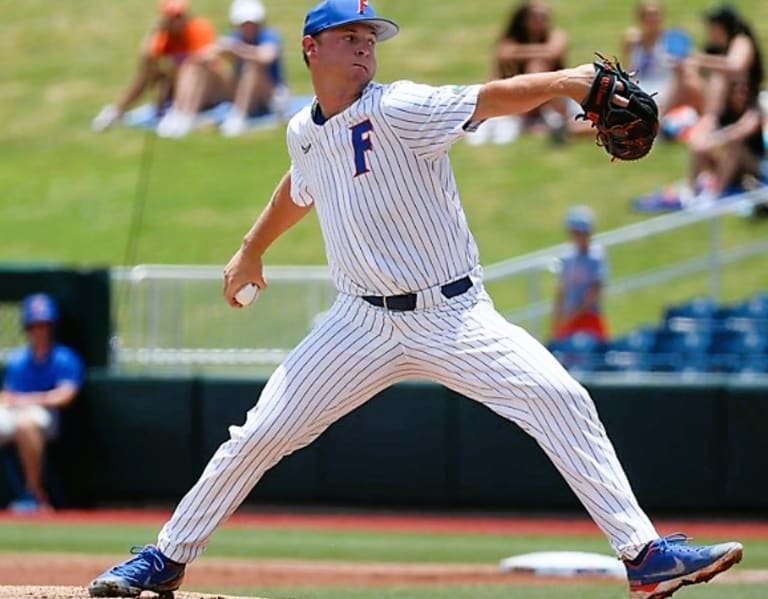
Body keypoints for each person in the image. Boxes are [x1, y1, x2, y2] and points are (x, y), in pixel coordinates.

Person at [88, 2, 743, 598]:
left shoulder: (399, 105)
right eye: (350, 36)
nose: (366, 47)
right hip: (359, 322)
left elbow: (490, 98)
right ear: (312, 48)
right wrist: (250, 247)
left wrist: (571, 80)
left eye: (371, 37)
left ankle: (644, 555)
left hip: (453, 314)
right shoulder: (304, 129)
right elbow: (300, 183)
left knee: (561, 399)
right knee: (259, 433)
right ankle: (166, 556)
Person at [91, 0, 232, 138]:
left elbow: (209, 58)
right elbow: (146, 59)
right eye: (173, 17)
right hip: (181, 85)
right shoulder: (165, 35)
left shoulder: (199, 27)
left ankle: (183, 116)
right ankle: (117, 111)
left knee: (191, 68)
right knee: (150, 72)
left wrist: (177, 66)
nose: (178, 21)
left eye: (180, 15)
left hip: (209, 85)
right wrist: (154, 32)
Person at [0, 294, 83, 513]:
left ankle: (34, 494)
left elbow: (66, 396)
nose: (40, 331)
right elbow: (6, 395)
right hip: (15, 410)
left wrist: (29, 399)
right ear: (27, 327)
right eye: (35, 325)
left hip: (46, 414)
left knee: (26, 423)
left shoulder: (64, 357)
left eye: (44, 325)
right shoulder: (18, 359)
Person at [468, 1, 570, 145]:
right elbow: (503, 54)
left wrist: (520, 52)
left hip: (549, 97)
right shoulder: (511, 39)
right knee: (535, 66)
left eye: (543, 16)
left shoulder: (555, 35)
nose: (540, 21)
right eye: (535, 17)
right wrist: (539, 52)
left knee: (537, 67)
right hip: (521, 95)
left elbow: (555, 51)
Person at [687, 74, 765, 203]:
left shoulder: (753, 111)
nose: (742, 93)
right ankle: (690, 190)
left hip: (753, 164)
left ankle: (716, 193)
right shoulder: (723, 111)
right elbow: (707, 125)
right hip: (727, 160)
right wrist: (704, 141)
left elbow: (741, 131)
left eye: (745, 89)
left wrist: (716, 139)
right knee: (700, 146)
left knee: (735, 146)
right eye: (737, 89)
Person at [217, 0, 290, 137]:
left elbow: (267, 56)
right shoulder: (235, 38)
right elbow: (216, 50)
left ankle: (239, 115)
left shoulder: (269, 36)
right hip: (241, 88)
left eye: (252, 24)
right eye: (245, 24)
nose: (248, 27)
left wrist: (238, 50)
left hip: (272, 94)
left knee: (253, 67)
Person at [551, 206, 609, 343]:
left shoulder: (596, 256)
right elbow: (562, 289)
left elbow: (596, 290)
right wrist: (558, 317)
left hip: (588, 316)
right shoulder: (568, 257)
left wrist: (574, 314)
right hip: (568, 317)